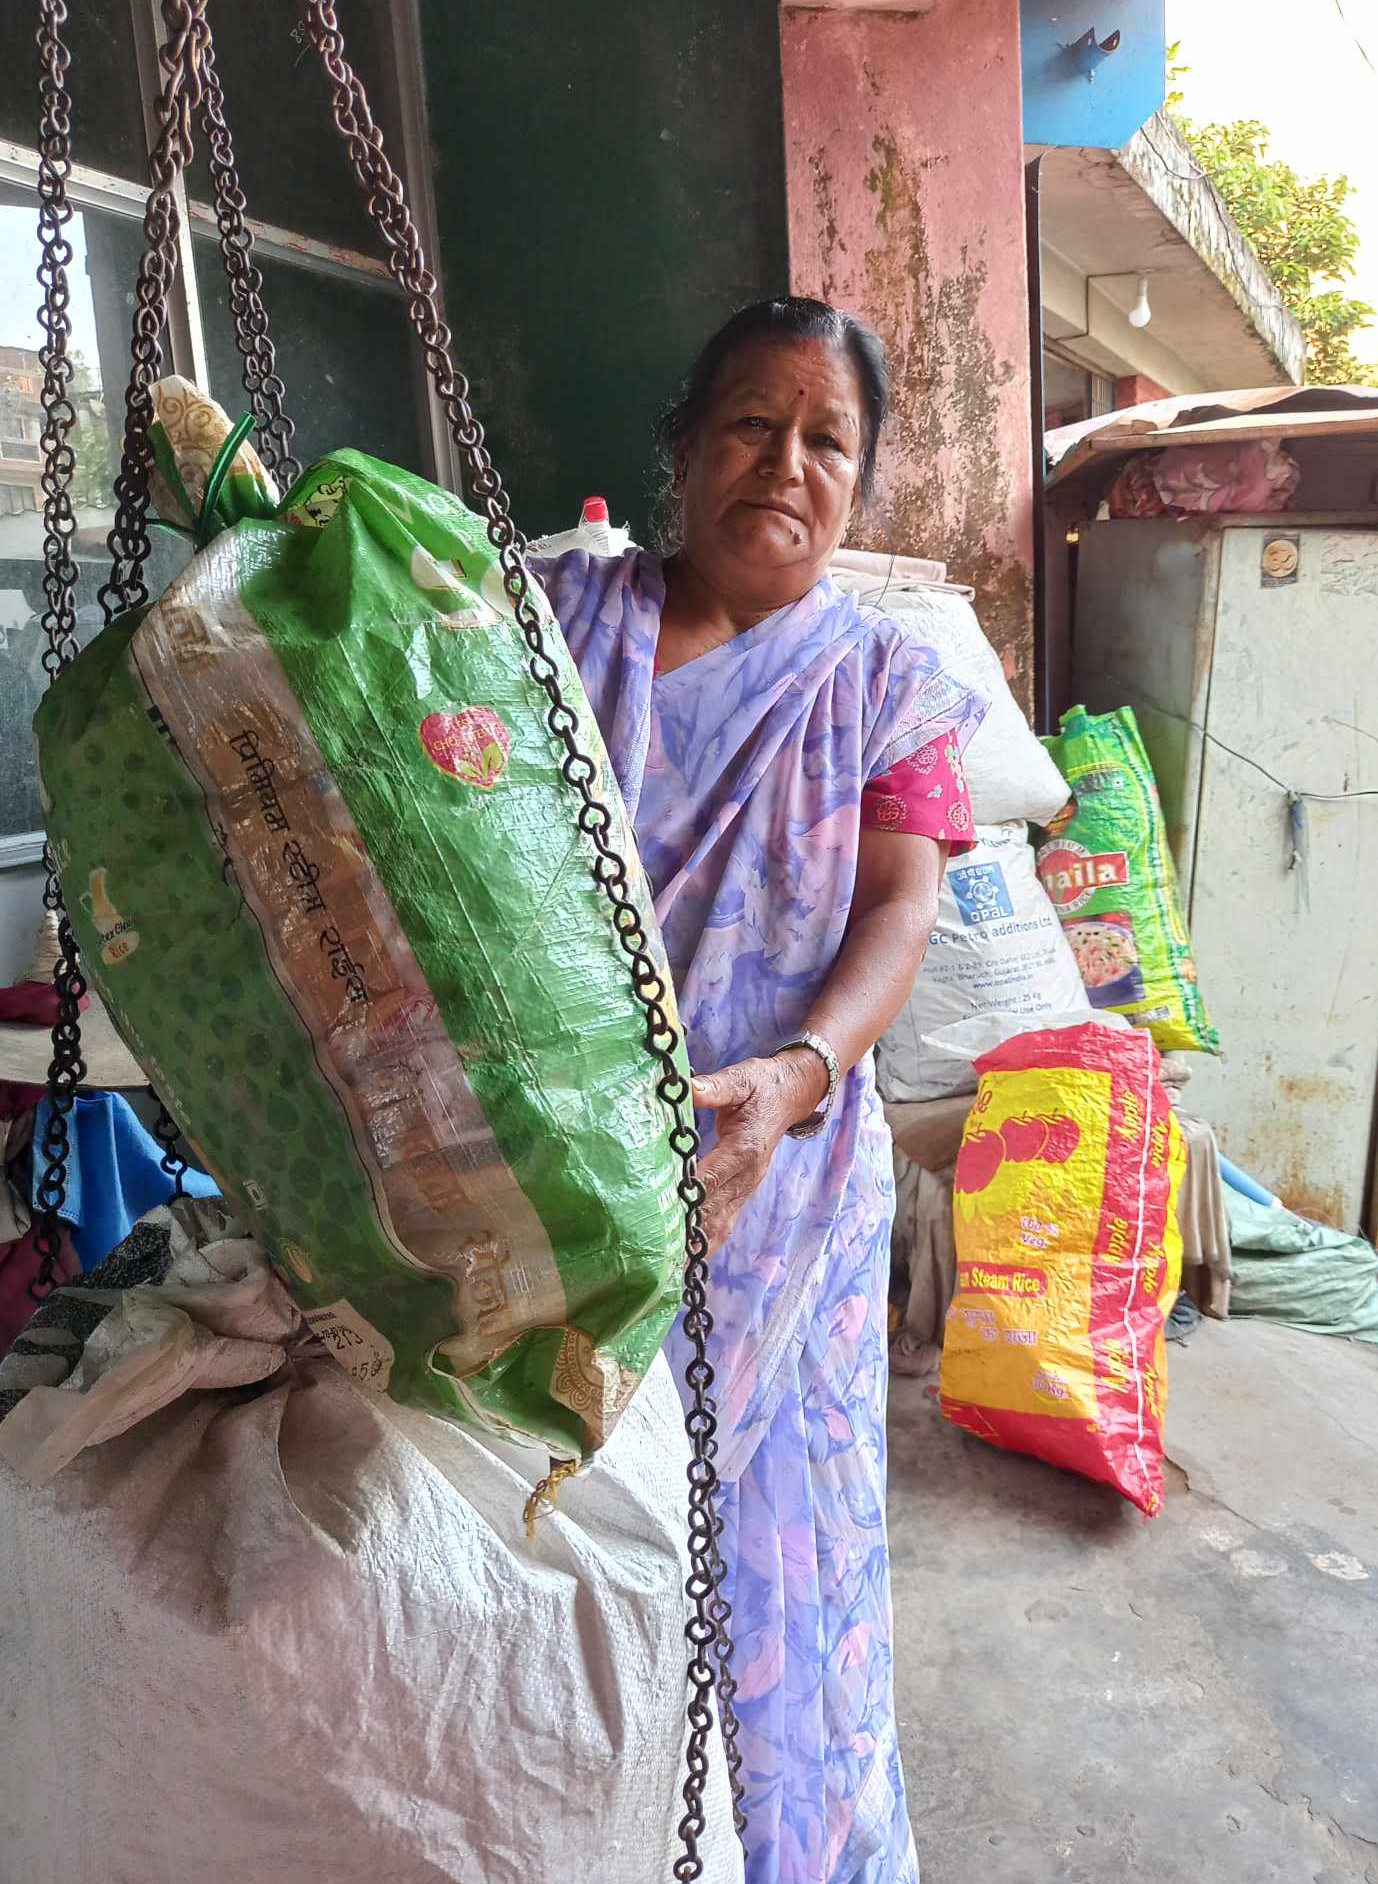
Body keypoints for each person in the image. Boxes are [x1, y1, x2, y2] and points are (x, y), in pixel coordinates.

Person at [537, 296, 987, 1884]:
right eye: (751, 423)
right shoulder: (555, 621)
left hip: (777, 1190)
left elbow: (902, 908)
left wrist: (797, 1078)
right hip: (557, 1180)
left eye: (826, 442)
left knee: (777, 1572)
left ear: (858, 483)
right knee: (558, 1544)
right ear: (682, 447)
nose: (786, 465)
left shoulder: (883, 678)